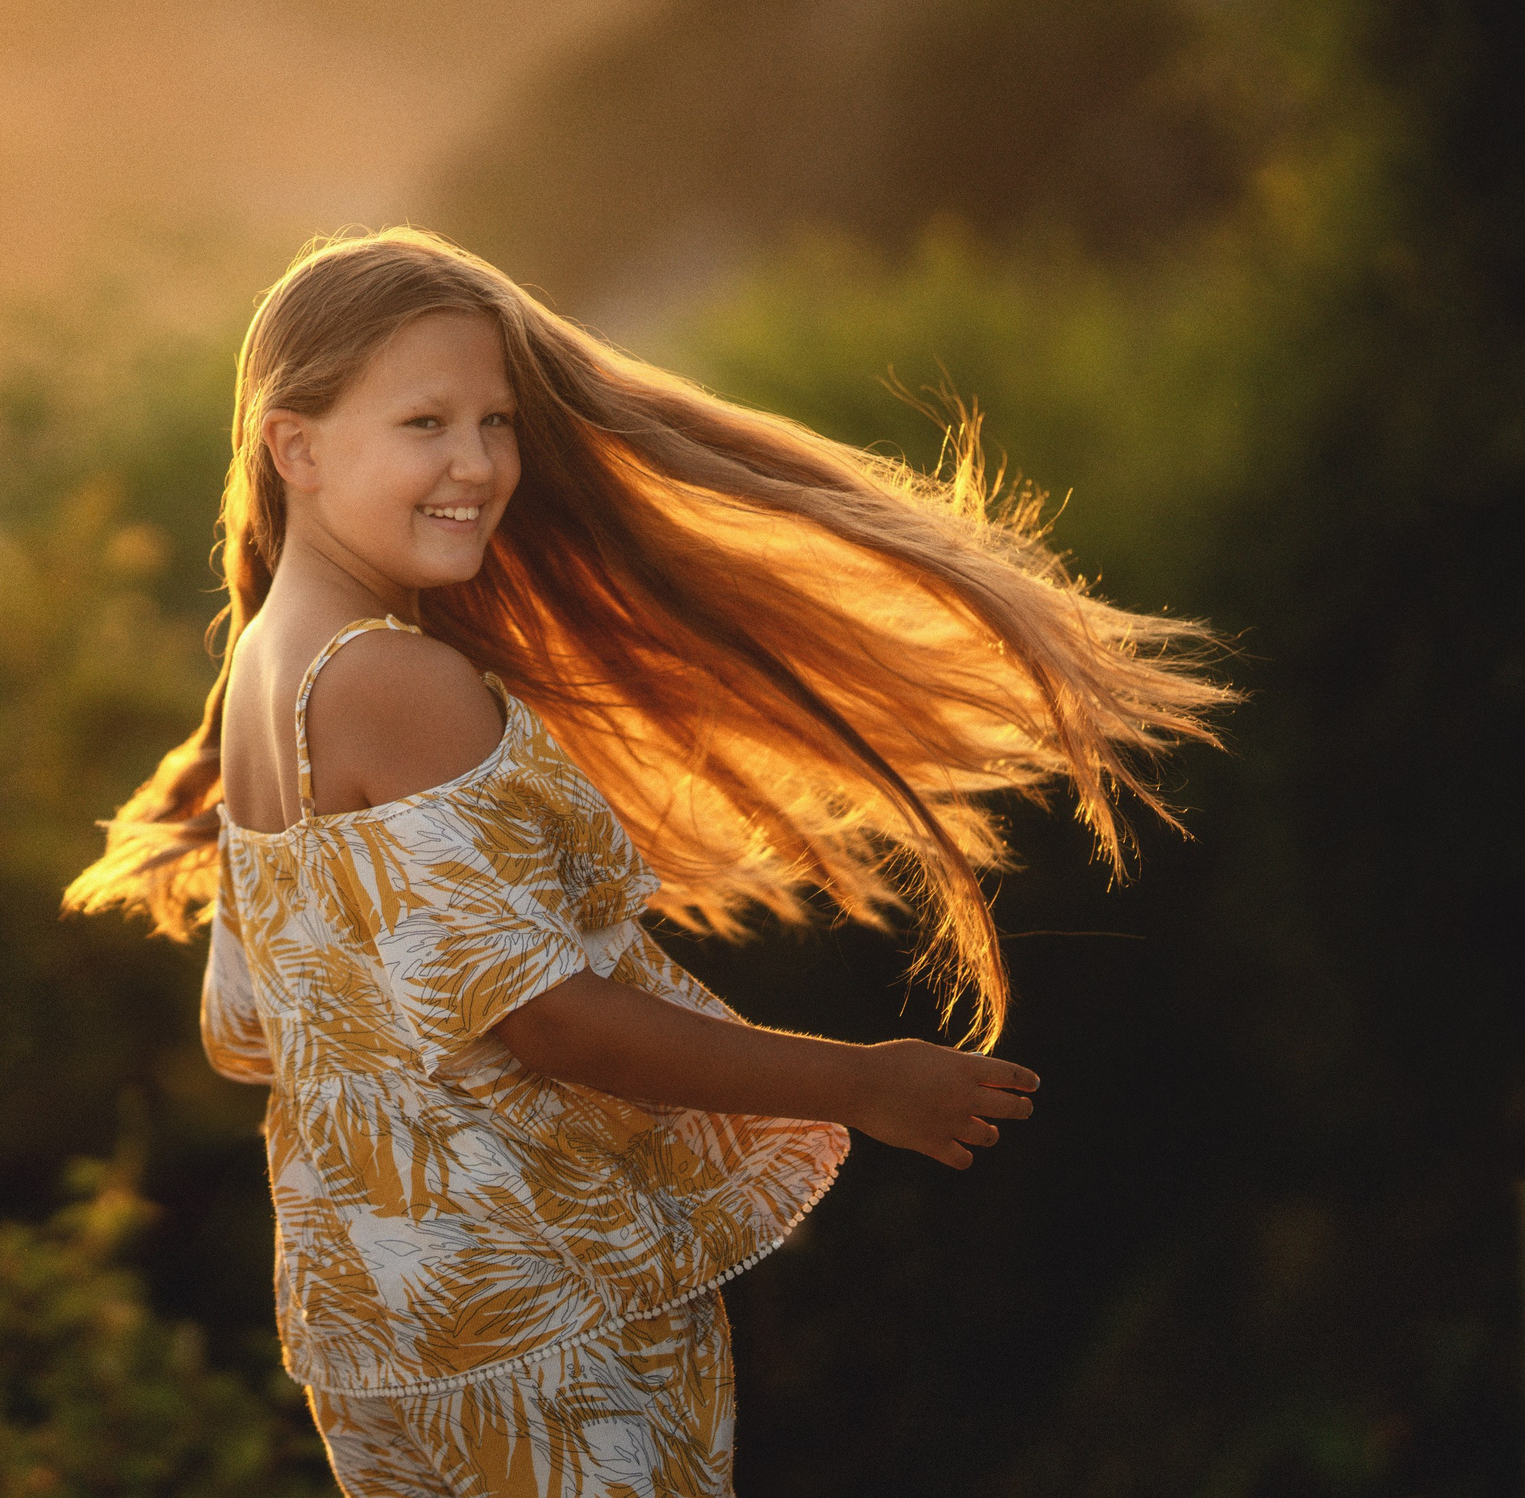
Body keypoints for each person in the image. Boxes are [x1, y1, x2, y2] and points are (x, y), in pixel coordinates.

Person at [62, 227, 1230, 1495]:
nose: (478, 465)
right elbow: (550, 1022)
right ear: (296, 446)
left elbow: (256, 1028)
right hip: (532, 1312)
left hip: (385, 1327)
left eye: (497, 422)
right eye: (425, 425)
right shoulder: (395, 679)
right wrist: (862, 1083)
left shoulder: (260, 679)